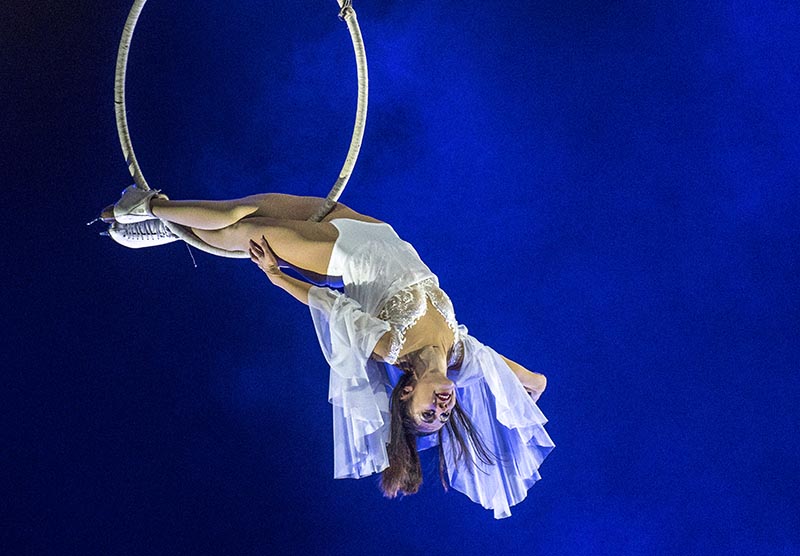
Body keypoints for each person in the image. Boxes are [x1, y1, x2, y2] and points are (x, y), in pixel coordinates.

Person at [101, 186, 555, 518]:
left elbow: (333, 306)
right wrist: (513, 408)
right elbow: (536, 383)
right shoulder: (465, 355)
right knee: (244, 206)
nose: (440, 411)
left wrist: (280, 278)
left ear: (405, 393)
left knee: (244, 226)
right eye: (442, 417)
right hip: (372, 228)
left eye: (426, 415)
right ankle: (159, 220)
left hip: (344, 255)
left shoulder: (388, 346)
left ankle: (148, 210)